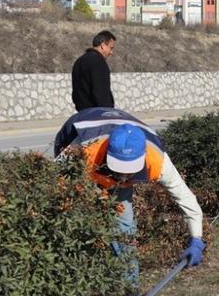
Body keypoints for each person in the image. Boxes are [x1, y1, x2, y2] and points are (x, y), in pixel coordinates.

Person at [53, 107, 206, 287]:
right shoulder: (82, 148)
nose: (123, 177)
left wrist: (196, 239)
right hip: (76, 141)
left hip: (114, 149)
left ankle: (129, 286)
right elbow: (52, 181)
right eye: (118, 170)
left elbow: (186, 199)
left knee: (125, 229)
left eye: (128, 171)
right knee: (74, 217)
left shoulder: (157, 159)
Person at [72, 30, 116, 111]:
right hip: (97, 115)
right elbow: (101, 94)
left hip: (82, 113)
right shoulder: (98, 62)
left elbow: (76, 93)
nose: (111, 52)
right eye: (111, 48)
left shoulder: (79, 61)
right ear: (103, 45)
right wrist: (108, 113)